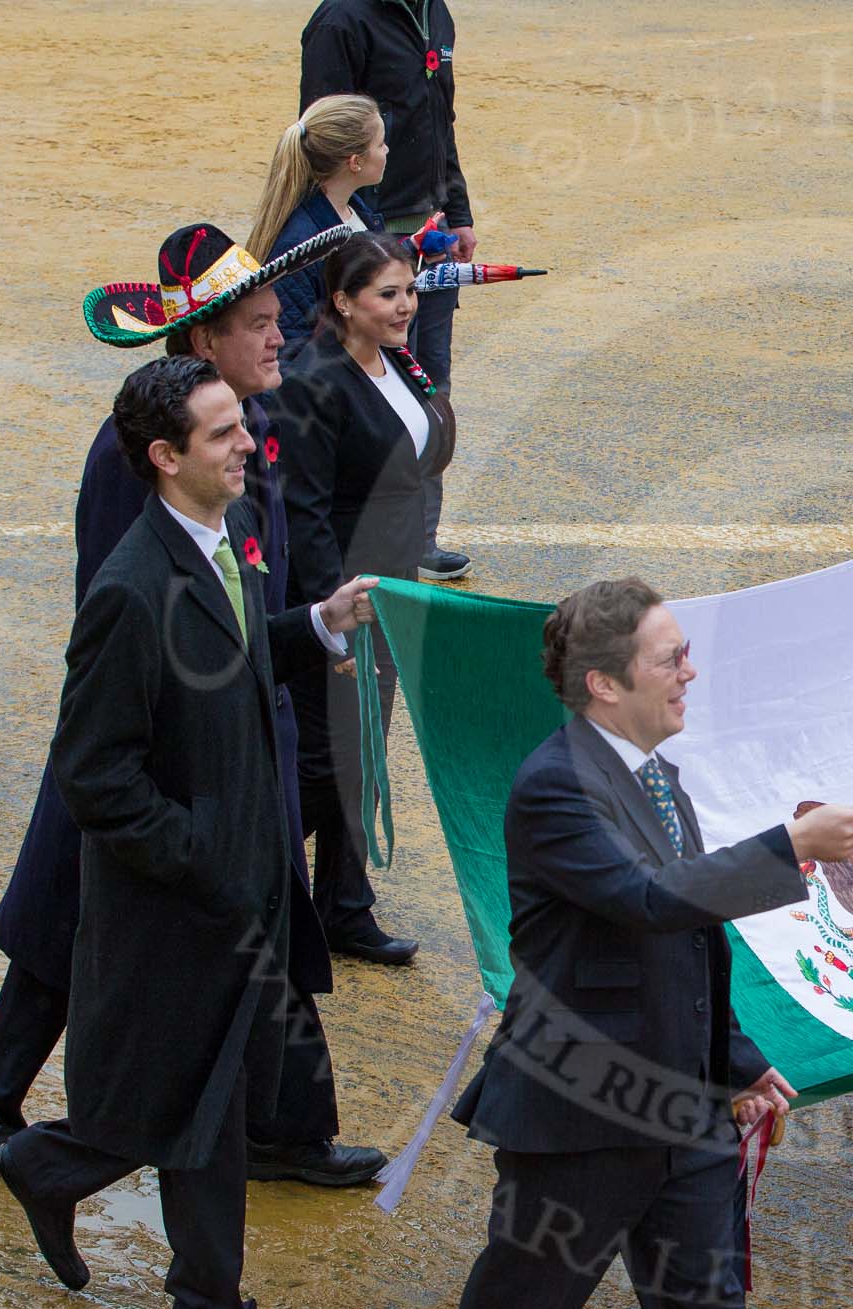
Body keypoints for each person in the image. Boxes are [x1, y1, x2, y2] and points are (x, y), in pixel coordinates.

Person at [0, 222, 386, 1189]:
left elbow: (249, 588)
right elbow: (126, 620)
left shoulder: (241, 427)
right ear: (200, 343)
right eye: (263, 323)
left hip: (236, 737)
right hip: (155, 750)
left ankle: (281, 1125)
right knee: (71, 930)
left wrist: (312, 628)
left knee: (268, 928)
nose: (283, 336)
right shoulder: (130, 459)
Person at [0, 355, 380, 1309]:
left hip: (239, 889)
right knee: (200, 1117)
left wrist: (318, 628)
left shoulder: (227, 538)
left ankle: (51, 1166)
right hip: (182, 905)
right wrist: (200, 853)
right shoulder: (129, 590)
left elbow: (233, 660)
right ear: (167, 460)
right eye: (222, 433)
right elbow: (93, 774)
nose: (247, 441)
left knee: (194, 1104)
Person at [443, 578, 853, 1309]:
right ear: (606, 684)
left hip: (688, 1115)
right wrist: (792, 845)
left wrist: (733, 1062)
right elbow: (646, 900)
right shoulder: (555, 786)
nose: (690, 671)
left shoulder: (656, 773)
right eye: (670, 657)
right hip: (580, 1123)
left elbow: (684, 940)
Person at [273, 231, 452, 965]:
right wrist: (333, 622)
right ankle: (256, 867)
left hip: (390, 588)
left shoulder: (395, 362)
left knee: (363, 748)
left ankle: (343, 903)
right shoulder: (314, 381)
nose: (407, 303)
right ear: (343, 302)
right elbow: (308, 514)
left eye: (409, 290)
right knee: (334, 759)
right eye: (388, 293)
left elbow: (422, 455)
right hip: (349, 599)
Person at [301, 0, 478, 580]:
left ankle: (418, 542)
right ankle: (371, 543)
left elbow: (439, 120)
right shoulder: (339, 23)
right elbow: (325, 143)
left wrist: (456, 210)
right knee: (366, 397)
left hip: (424, 241)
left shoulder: (435, 11)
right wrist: (376, 243)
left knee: (429, 387)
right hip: (373, 246)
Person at [249, 93, 390, 366]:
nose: (387, 151)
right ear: (355, 162)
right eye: (380, 144)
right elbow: (287, 351)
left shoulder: (353, 209)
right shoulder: (303, 244)